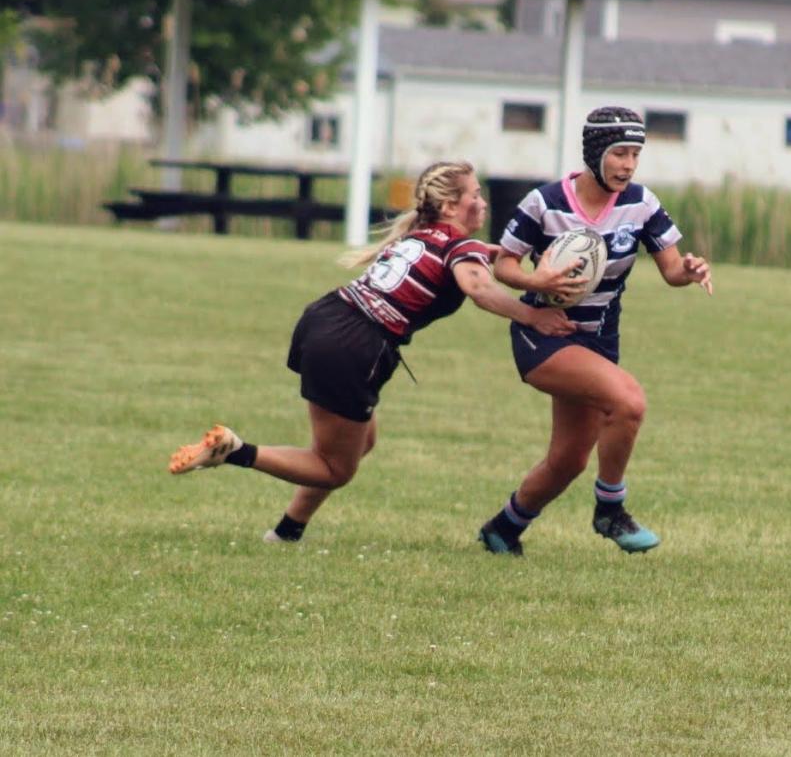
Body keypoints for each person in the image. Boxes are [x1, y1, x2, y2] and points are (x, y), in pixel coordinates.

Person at [168, 161, 581, 544]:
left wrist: (509, 262)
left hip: (328, 317)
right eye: (475, 194)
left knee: (362, 440)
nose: (483, 202)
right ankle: (236, 451)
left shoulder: (423, 234)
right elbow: (478, 288)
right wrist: (532, 316)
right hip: (356, 344)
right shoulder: (460, 245)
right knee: (333, 468)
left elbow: (468, 265)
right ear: (452, 205)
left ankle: (288, 531)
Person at [477, 106, 713, 557]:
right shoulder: (545, 203)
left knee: (568, 460)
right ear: (595, 151)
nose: (628, 164)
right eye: (619, 153)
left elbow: (671, 270)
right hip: (544, 333)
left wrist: (691, 269)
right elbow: (504, 264)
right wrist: (536, 282)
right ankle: (610, 509)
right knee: (628, 402)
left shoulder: (641, 203)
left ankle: (502, 529)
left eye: (635, 155)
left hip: (598, 341)